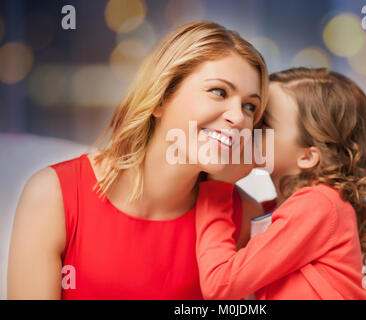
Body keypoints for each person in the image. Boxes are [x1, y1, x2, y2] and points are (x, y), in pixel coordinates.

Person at [7, 21, 268, 299]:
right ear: (160, 98)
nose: (239, 118)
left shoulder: (244, 218)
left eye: (249, 106)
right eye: (219, 92)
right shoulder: (54, 195)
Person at [195, 67, 366, 300]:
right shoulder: (274, 211)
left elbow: (220, 285)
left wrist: (218, 186)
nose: (246, 124)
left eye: (263, 123)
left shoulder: (319, 204)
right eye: (252, 111)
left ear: (307, 156)